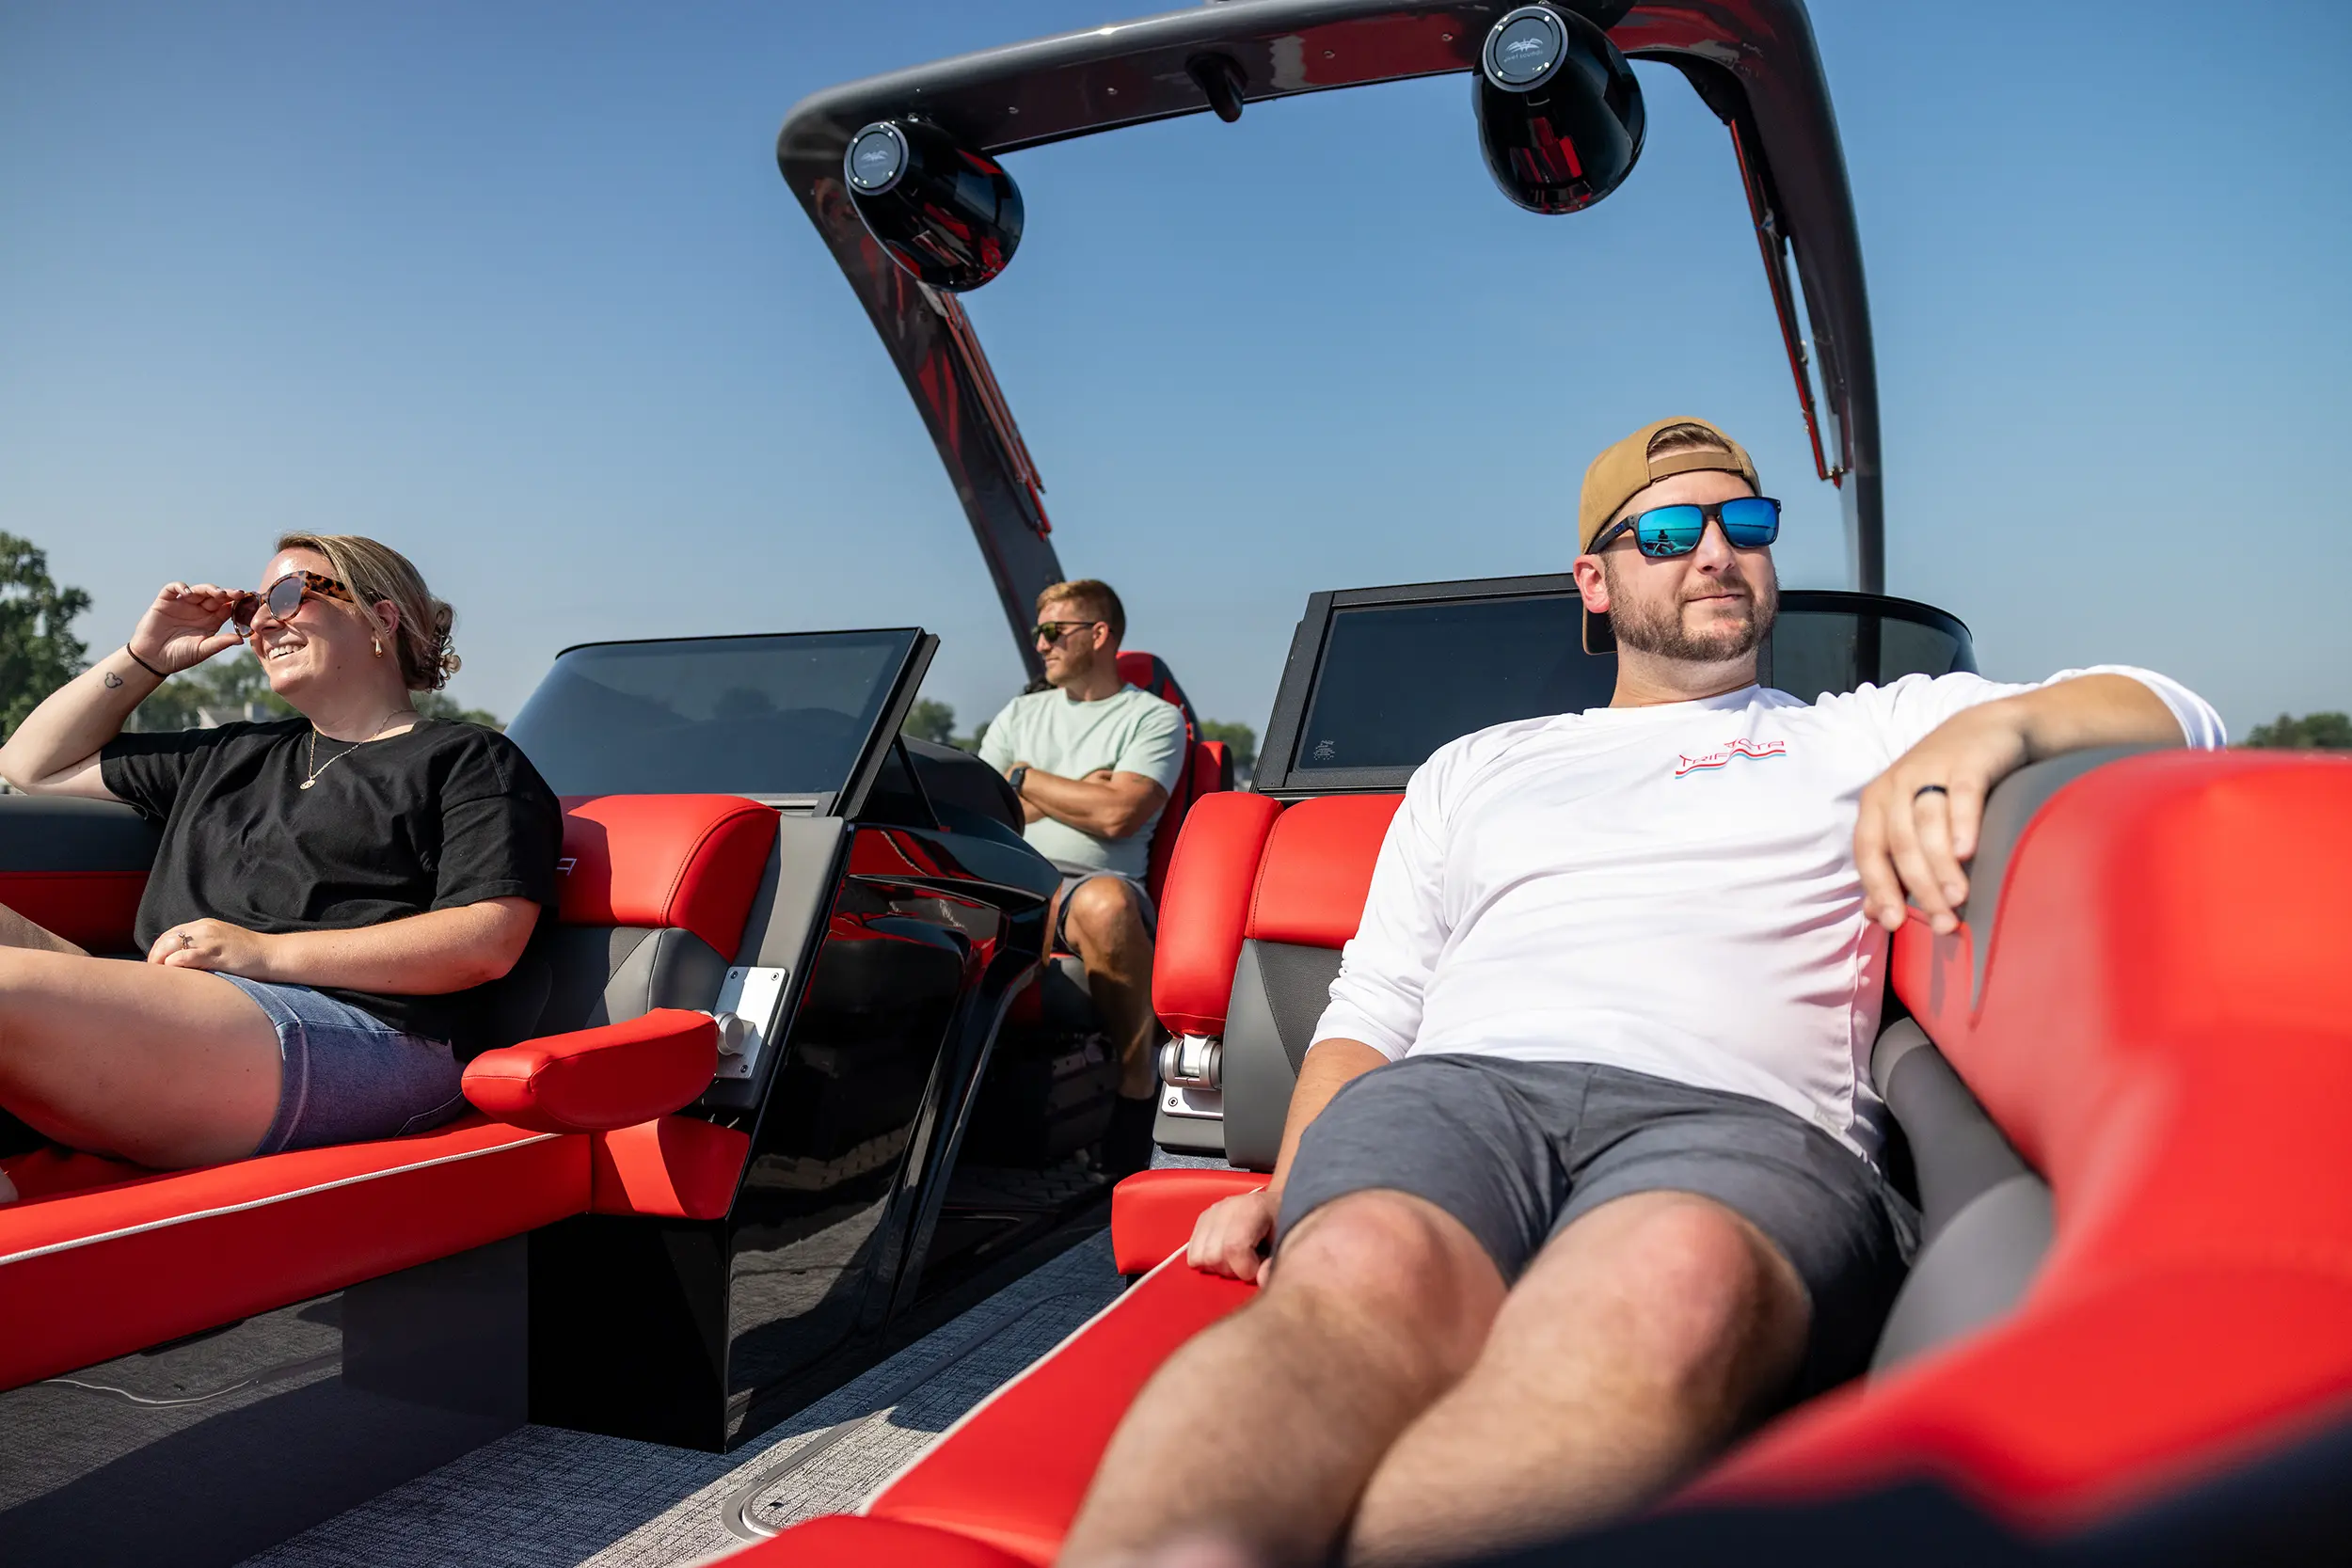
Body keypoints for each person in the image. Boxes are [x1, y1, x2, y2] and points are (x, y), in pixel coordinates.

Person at [1059, 419, 2225, 1567]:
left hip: (1743, 1120)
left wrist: (1992, 731)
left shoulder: (1864, 728)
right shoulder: (1476, 764)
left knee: (1672, 1283)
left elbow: (2175, 707)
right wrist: (1292, 1178)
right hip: (1461, 1095)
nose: (1715, 552)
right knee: (1359, 1267)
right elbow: (1372, 1005)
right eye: (1667, 533)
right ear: (1596, 581)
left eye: (1745, 523)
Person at [0, 533, 561, 1200]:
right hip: (182, 1010)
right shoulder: (230, 753)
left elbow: (486, 940)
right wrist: (147, 657)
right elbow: (29, 764)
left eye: (290, 595)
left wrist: (259, 953)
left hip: (363, 1033)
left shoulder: (468, 759)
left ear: (381, 617)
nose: (263, 622)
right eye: (252, 609)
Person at [978, 578, 1188, 1177]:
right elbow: (984, 813)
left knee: (1104, 905)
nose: (1040, 645)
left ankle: (1138, 1086)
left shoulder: (1152, 719)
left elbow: (1118, 815)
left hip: (1092, 882)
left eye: (1053, 631)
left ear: (1099, 635)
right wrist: (1078, 790)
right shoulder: (1020, 713)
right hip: (1008, 874)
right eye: (1037, 632)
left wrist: (1024, 779)